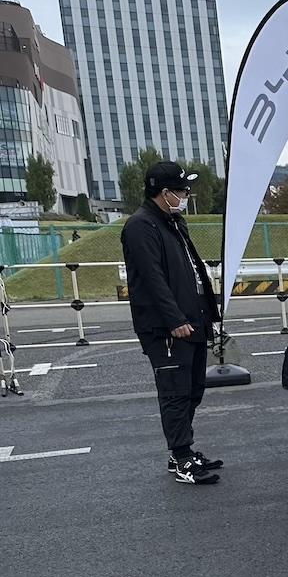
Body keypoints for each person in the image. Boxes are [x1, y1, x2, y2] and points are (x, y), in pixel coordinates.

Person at [120, 160, 221, 485]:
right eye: (182, 191)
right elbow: (152, 279)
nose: (186, 196)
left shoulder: (173, 222)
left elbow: (190, 271)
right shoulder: (141, 226)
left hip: (192, 320)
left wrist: (208, 315)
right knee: (175, 392)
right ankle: (181, 455)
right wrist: (174, 319)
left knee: (193, 390)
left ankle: (182, 451)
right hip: (167, 328)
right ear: (165, 193)